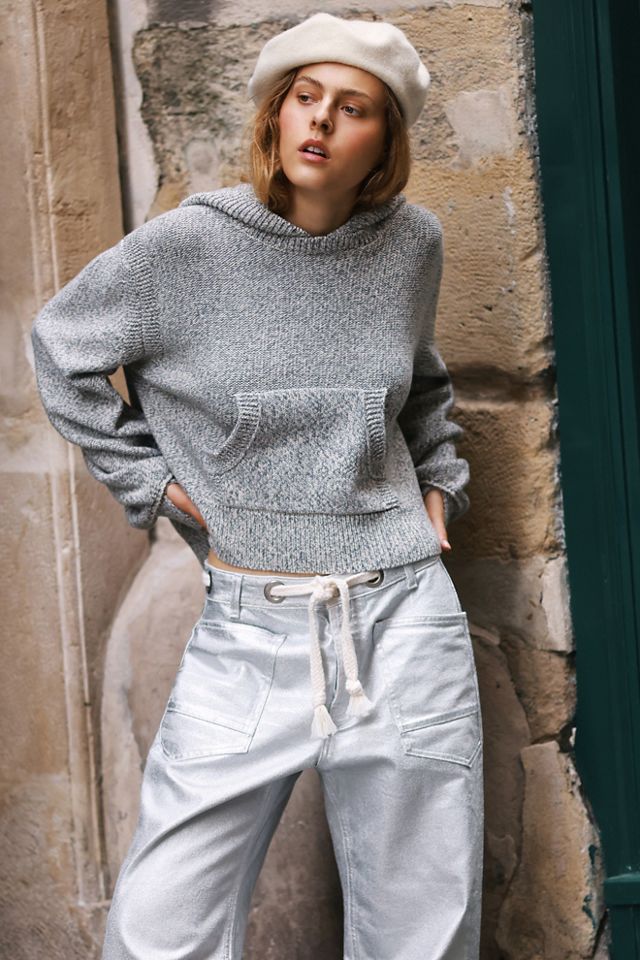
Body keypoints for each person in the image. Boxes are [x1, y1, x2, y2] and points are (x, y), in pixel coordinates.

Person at [31, 11, 483, 959]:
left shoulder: (412, 243)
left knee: (420, 930)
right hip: (251, 624)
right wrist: (150, 482)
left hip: (403, 616)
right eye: (304, 99)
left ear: (385, 141)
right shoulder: (186, 247)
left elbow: (423, 386)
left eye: (352, 107)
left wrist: (439, 485)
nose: (320, 121)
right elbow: (60, 348)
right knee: (162, 928)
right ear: (275, 116)